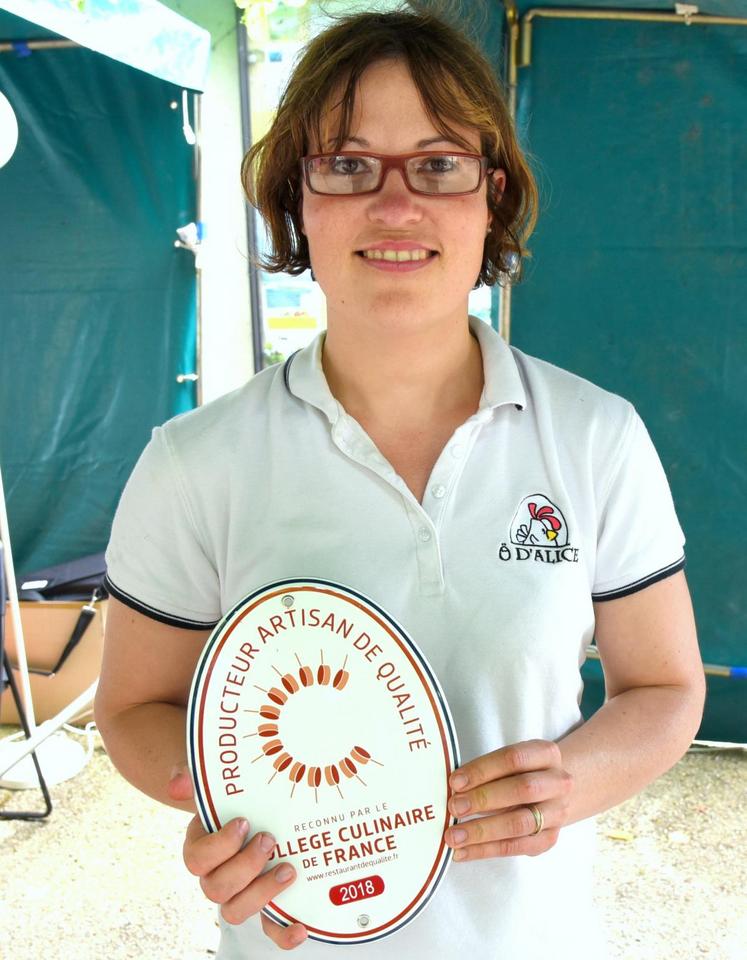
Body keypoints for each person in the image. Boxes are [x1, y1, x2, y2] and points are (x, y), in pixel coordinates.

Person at [94, 7, 705, 959]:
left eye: (437, 163)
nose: (394, 205)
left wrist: (567, 785)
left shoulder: (594, 436)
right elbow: (133, 708)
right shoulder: (195, 460)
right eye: (344, 163)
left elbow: (664, 687)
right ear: (297, 199)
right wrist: (223, 799)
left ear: (489, 197)